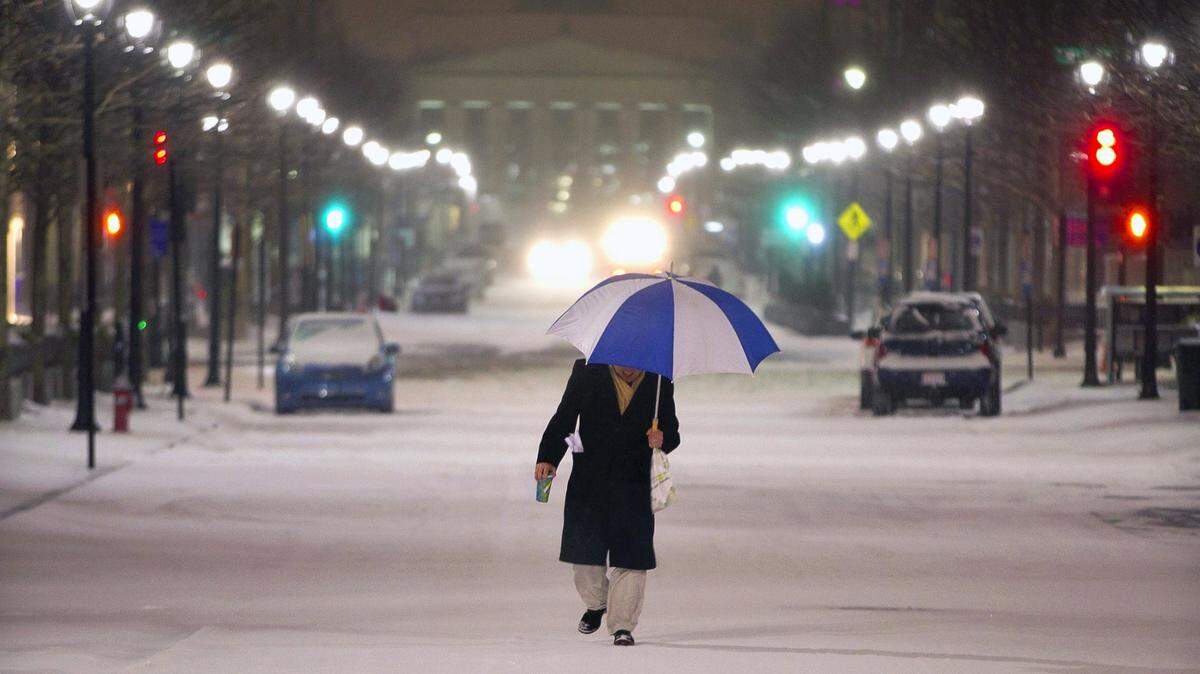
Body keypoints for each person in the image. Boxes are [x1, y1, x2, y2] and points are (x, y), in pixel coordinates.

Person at [535, 359, 680, 646]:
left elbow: (672, 432)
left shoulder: (660, 380)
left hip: (634, 482)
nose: (629, 370)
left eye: (636, 365)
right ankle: (597, 602)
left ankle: (622, 625)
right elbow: (565, 417)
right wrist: (548, 457)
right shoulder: (587, 371)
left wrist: (662, 438)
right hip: (590, 478)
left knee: (632, 556)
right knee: (583, 553)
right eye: (622, 364)